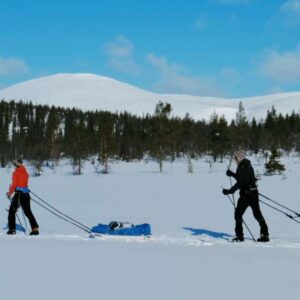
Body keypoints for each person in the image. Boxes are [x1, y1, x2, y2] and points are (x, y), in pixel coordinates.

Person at [222, 151, 269, 242]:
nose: (235, 161)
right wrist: (232, 174)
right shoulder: (248, 165)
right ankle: (265, 235)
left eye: (235, 159)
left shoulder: (242, 166)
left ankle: (239, 236)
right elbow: (243, 178)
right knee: (257, 214)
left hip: (246, 195)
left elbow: (241, 182)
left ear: (238, 158)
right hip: (254, 193)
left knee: (238, 214)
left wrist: (230, 191)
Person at [6, 159, 39, 235]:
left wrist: (9, 193)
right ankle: (35, 229)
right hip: (26, 194)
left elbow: (14, 185)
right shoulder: (25, 173)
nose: (14, 166)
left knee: (12, 211)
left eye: (14, 164)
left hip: (19, 195)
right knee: (28, 212)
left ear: (16, 165)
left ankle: (12, 229)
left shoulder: (16, 173)